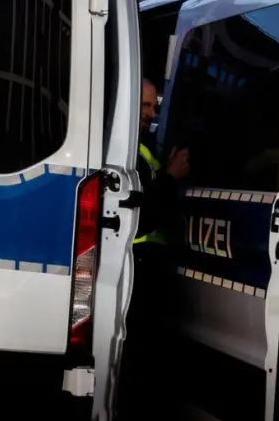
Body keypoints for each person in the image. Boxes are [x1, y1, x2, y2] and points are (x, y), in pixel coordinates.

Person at [117, 77, 190, 418]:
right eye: (145, 106)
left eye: (154, 105)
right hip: (135, 265)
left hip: (151, 264)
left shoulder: (145, 147)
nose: (151, 112)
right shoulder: (126, 151)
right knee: (137, 356)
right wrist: (170, 178)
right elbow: (140, 217)